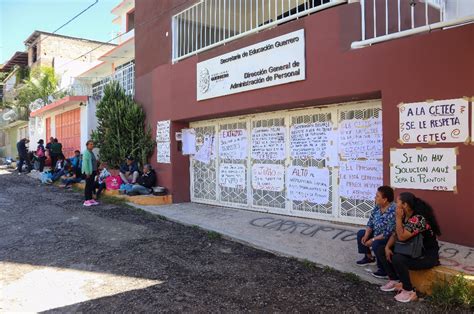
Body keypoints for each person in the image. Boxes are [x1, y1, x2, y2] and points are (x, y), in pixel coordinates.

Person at [377, 192, 441, 303]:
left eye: (398, 203)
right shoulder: (405, 216)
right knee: (380, 249)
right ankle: (395, 280)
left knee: (398, 258)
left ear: (405, 205)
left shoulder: (418, 219)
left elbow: (401, 237)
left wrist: (397, 219)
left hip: (425, 257)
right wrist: (387, 247)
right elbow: (395, 233)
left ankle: (409, 291)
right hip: (411, 251)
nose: (395, 205)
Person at [356, 186, 396, 279]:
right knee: (361, 233)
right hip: (377, 233)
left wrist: (373, 239)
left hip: (389, 238)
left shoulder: (393, 210)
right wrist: (366, 235)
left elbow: (388, 232)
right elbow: (371, 222)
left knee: (376, 243)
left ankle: (383, 270)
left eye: (377, 196)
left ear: (385, 199)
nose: (375, 198)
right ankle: (369, 258)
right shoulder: (378, 207)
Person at [82, 140, 99, 206]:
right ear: (87, 145)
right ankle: (86, 200)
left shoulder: (91, 152)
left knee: (91, 185)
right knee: (88, 186)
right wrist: (87, 173)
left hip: (93, 171)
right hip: (88, 172)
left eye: (93, 144)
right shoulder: (86, 153)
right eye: (90, 144)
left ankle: (90, 199)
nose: (92, 145)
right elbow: (86, 163)